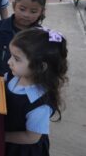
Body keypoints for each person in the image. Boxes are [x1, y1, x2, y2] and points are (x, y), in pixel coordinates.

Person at [5, 27, 68, 156]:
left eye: (16, 59)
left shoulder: (39, 105)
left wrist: (1, 136)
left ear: (40, 67)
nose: (9, 61)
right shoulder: (13, 76)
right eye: (11, 56)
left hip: (21, 150)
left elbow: (31, 137)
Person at [0, 0, 53, 76]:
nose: (26, 15)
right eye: (22, 9)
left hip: (23, 82)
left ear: (41, 12)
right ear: (14, 5)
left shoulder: (40, 36)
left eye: (33, 11)